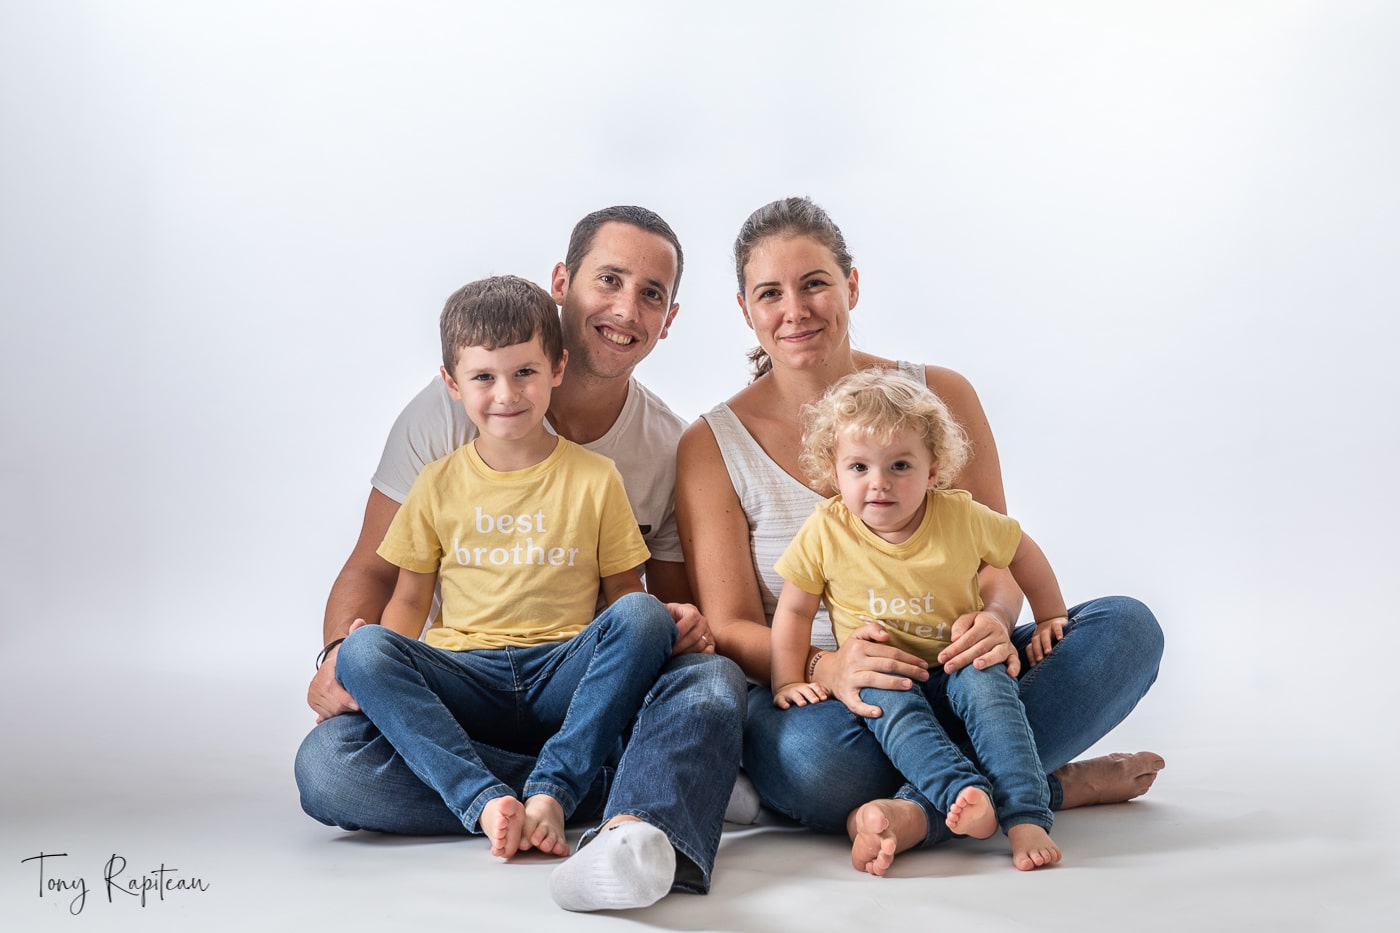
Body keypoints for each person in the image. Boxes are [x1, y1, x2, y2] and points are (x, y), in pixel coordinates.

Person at [675, 195, 1165, 876]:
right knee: (813, 763)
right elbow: (728, 625)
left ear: (851, 284)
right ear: (745, 310)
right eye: (770, 293)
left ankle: (916, 813)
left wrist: (997, 619)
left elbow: (995, 558)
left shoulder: (940, 397)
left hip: (962, 665)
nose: (796, 309)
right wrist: (827, 667)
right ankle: (1046, 785)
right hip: (840, 708)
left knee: (1128, 630)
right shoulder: (711, 443)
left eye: (815, 282)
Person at [296, 207, 746, 913]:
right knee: (330, 769)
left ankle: (581, 792)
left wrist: (677, 619)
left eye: (651, 293)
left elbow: (648, 602)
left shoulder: (664, 444)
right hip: (464, 685)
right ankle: (600, 792)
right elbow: (380, 576)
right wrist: (340, 657)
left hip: (575, 681)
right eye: (609, 279)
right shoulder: (448, 419)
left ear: (670, 316)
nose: (627, 307)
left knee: (712, 679)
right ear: (563, 281)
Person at [337, 273, 680, 863]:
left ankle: (553, 790)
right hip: (465, 679)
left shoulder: (596, 479)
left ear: (557, 369)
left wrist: (638, 635)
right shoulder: (436, 483)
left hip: (562, 677)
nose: (507, 394)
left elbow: (626, 596)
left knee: (645, 616)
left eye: (525, 372)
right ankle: (493, 798)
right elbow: (409, 602)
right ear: (452, 383)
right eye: (484, 378)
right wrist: (380, 683)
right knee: (360, 656)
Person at [771, 368, 1069, 873]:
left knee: (992, 692)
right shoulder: (825, 530)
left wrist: (1050, 616)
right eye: (859, 467)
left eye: (900, 465)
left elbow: (1022, 552)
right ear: (834, 471)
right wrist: (787, 679)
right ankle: (962, 791)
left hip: (960, 664)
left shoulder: (961, 516)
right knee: (884, 706)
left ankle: (1025, 815)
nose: (879, 483)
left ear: (933, 470)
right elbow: (794, 611)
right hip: (888, 677)